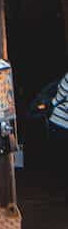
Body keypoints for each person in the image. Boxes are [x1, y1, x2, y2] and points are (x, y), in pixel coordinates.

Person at [48, 69, 68, 199]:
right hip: (61, 122)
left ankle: (58, 191)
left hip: (59, 121)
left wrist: (52, 102)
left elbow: (58, 97)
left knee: (59, 158)